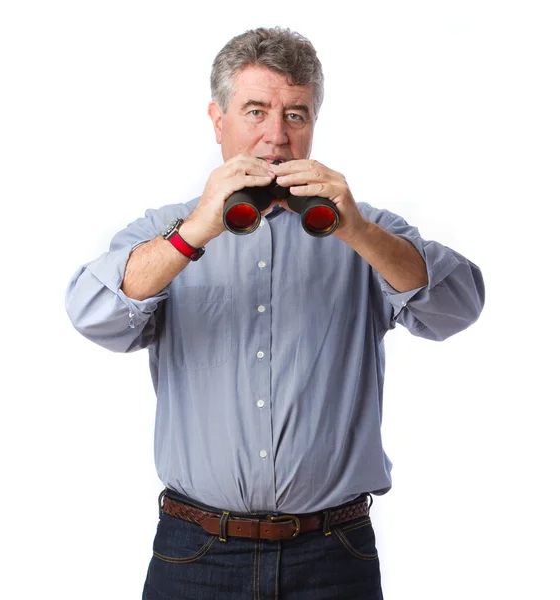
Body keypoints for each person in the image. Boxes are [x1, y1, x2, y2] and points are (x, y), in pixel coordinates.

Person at [66, 26, 485, 600]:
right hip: (197, 552)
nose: (276, 137)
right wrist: (196, 233)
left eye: (296, 115)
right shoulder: (165, 232)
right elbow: (94, 316)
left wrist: (357, 230)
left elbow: (458, 307)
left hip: (333, 553)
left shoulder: (363, 231)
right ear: (218, 119)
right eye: (256, 110)